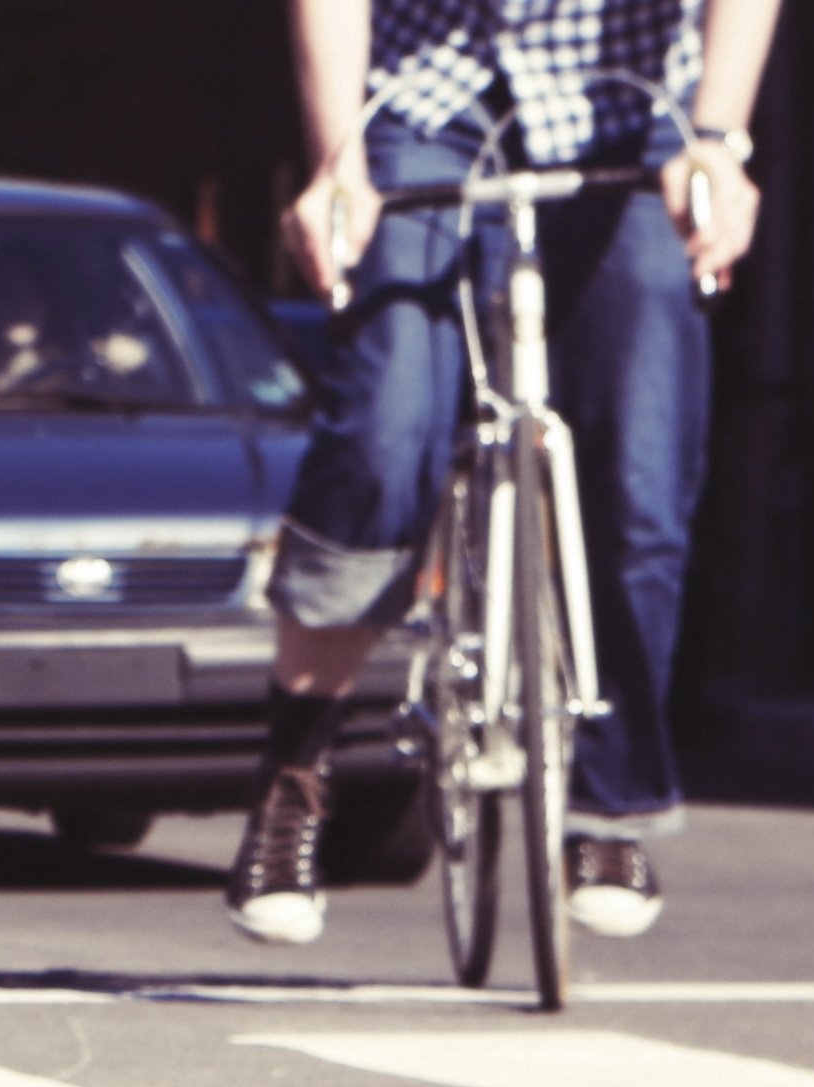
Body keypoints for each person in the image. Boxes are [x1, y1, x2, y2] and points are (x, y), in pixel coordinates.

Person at [226, 0, 777, 948]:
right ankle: (296, 773)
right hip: (424, 106)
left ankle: (611, 812)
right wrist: (334, 164)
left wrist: (717, 143)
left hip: (634, 108)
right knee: (383, 427)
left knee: (638, 466)